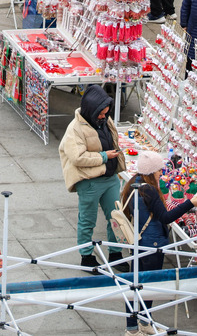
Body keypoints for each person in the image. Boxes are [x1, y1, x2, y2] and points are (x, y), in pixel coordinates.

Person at [119, 151, 197, 336]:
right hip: (153, 244)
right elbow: (165, 217)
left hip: (139, 242)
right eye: (158, 170)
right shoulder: (149, 190)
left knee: (135, 283)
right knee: (147, 286)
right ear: (151, 171)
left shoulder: (133, 184)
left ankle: (138, 324)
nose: (161, 174)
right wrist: (190, 203)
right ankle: (136, 327)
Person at [58, 84, 126, 272]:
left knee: (116, 217)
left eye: (106, 113)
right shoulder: (75, 129)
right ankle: (86, 256)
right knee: (87, 220)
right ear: (92, 109)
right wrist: (105, 157)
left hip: (110, 177)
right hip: (90, 181)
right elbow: (77, 158)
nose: (104, 116)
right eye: (101, 113)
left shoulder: (104, 120)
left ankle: (116, 253)